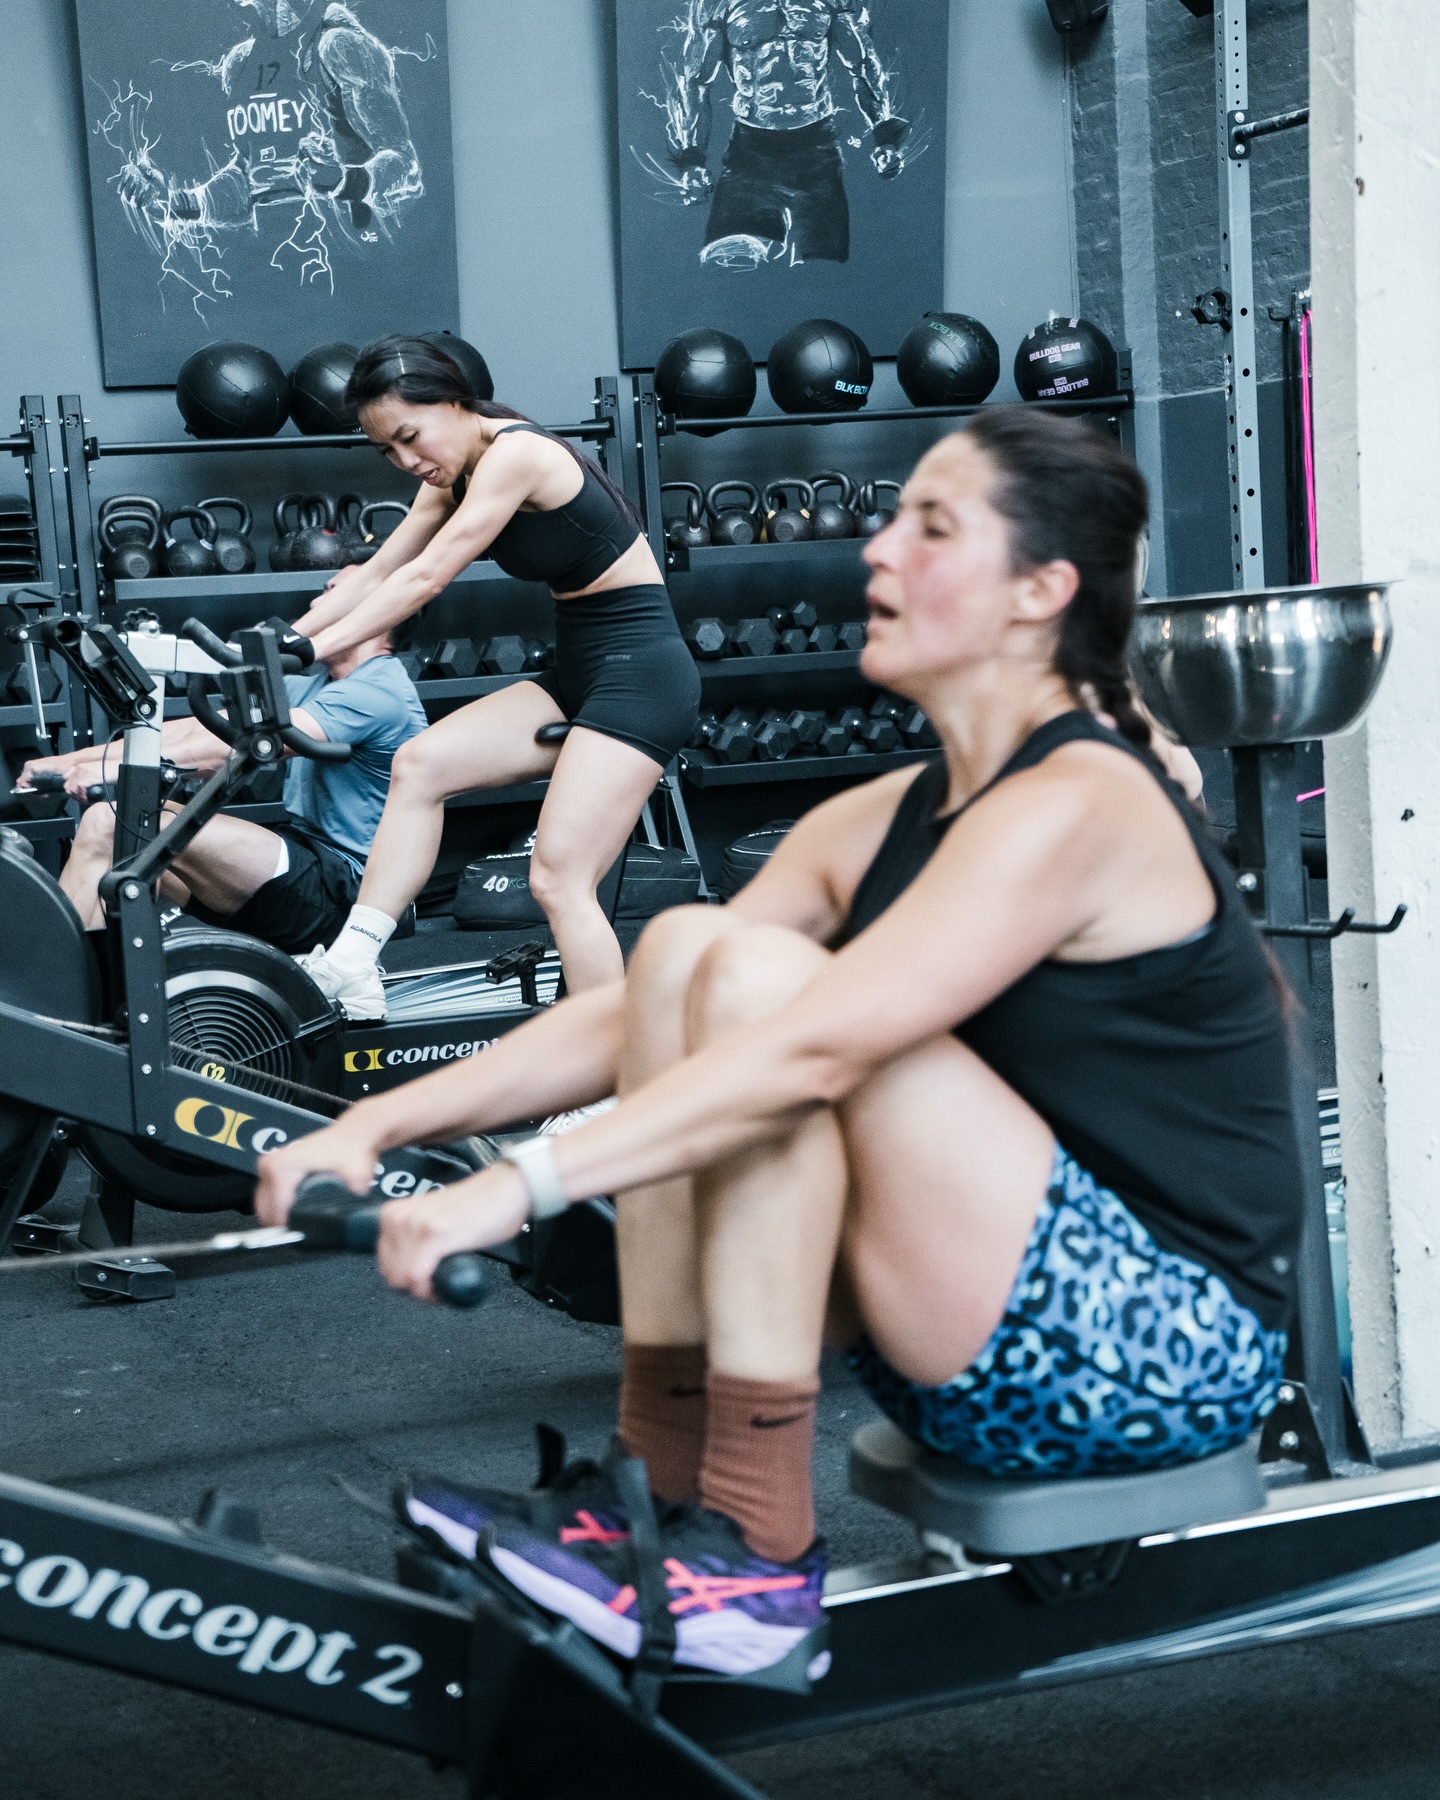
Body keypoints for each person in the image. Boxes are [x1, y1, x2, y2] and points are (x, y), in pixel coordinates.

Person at [254, 410, 1301, 1689]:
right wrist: (375, 1124)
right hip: (976, 1320)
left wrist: (516, 1188)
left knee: (760, 989)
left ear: (1043, 591)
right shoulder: (885, 815)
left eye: (932, 528)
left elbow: (810, 1052)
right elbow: (628, 1016)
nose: (878, 555)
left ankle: (750, 1545)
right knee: (690, 950)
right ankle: (653, 1506)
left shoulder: (1083, 798)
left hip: (1155, 1357)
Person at [289, 335, 699, 1020]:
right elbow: (382, 569)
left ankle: (612, 1080)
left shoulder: (518, 455)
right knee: (420, 765)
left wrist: (303, 656)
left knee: (560, 880)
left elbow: (426, 576)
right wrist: (276, 643)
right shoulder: (454, 473)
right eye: (388, 450)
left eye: (411, 437)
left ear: (454, 401)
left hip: (643, 674)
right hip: (581, 667)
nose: (407, 460)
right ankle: (353, 961)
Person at [21, 625, 423, 955]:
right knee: (125, 848)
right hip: (309, 859)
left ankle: (57, 992)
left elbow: (230, 744)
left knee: (110, 822)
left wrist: (106, 770)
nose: (319, 607)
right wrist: (66, 763)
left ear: (379, 616)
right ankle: (96, 1001)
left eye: (334, 595)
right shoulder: (319, 683)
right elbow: (197, 728)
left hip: (354, 893)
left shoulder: (378, 691)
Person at [647, 0, 910, 269]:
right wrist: (692, 158)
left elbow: (863, 65)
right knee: (732, 264)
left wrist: (885, 137)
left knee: (826, 267)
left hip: (817, 149)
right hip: (751, 153)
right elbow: (697, 81)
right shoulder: (720, 4)